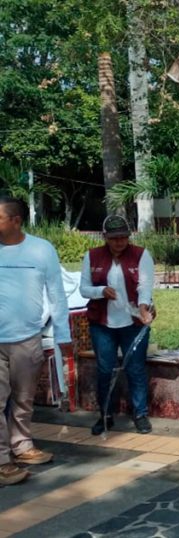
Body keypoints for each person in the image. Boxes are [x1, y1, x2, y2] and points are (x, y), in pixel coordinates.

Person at [0, 197, 71, 485]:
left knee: (24, 399)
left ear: (16, 220)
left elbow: (57, 294)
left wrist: (63, 335)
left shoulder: (42, 250)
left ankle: (22, 446)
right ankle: (2, 461)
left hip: (27, 338)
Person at [81, 215, 156, 436]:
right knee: (105, 370)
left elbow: (145, 286)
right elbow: (84, 289)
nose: (119, 242)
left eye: (124, 237)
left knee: (135, 368)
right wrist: (100, 291)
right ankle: (105, 415)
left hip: (132, 322)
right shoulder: (92, 256)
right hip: (102, 324)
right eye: (114, 238)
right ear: (105, 237)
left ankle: (140, 414)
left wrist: (143, 307)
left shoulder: (141, 255)